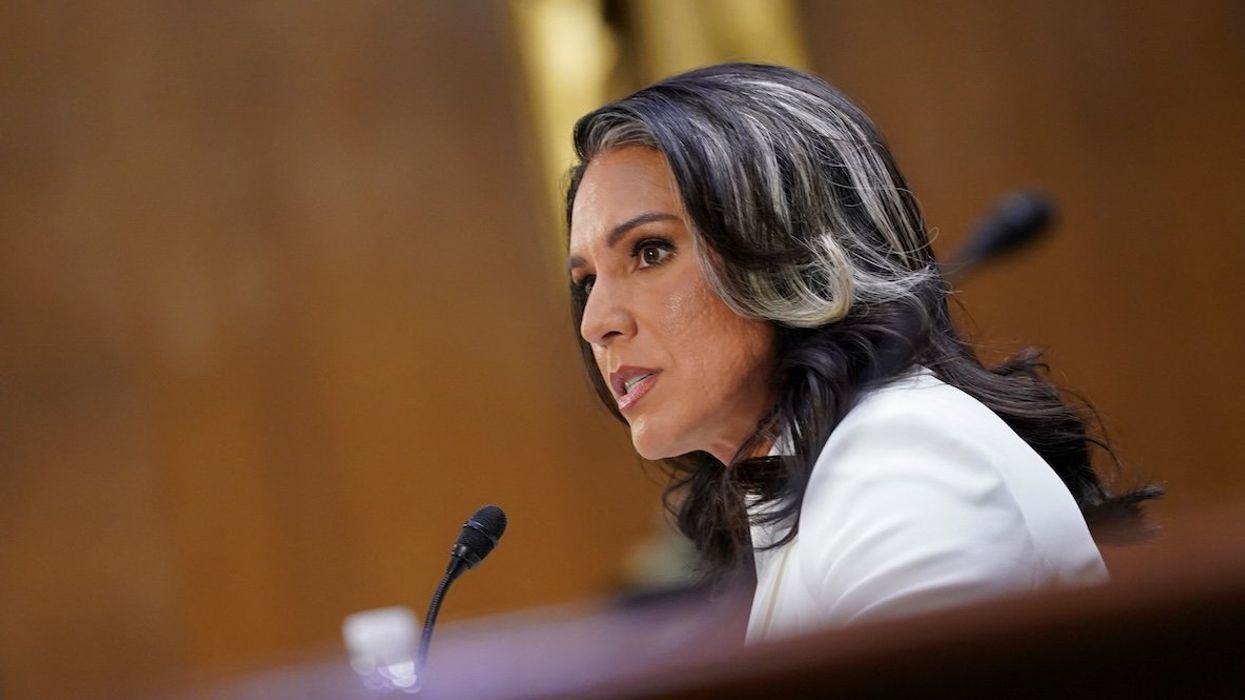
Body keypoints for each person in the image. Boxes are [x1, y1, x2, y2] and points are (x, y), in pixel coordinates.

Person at [563, 63, 1159, 642]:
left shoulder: (901, 453)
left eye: (649, 252)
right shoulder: (811, 484)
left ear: (792, 249)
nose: (596, 324)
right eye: (587, 280)